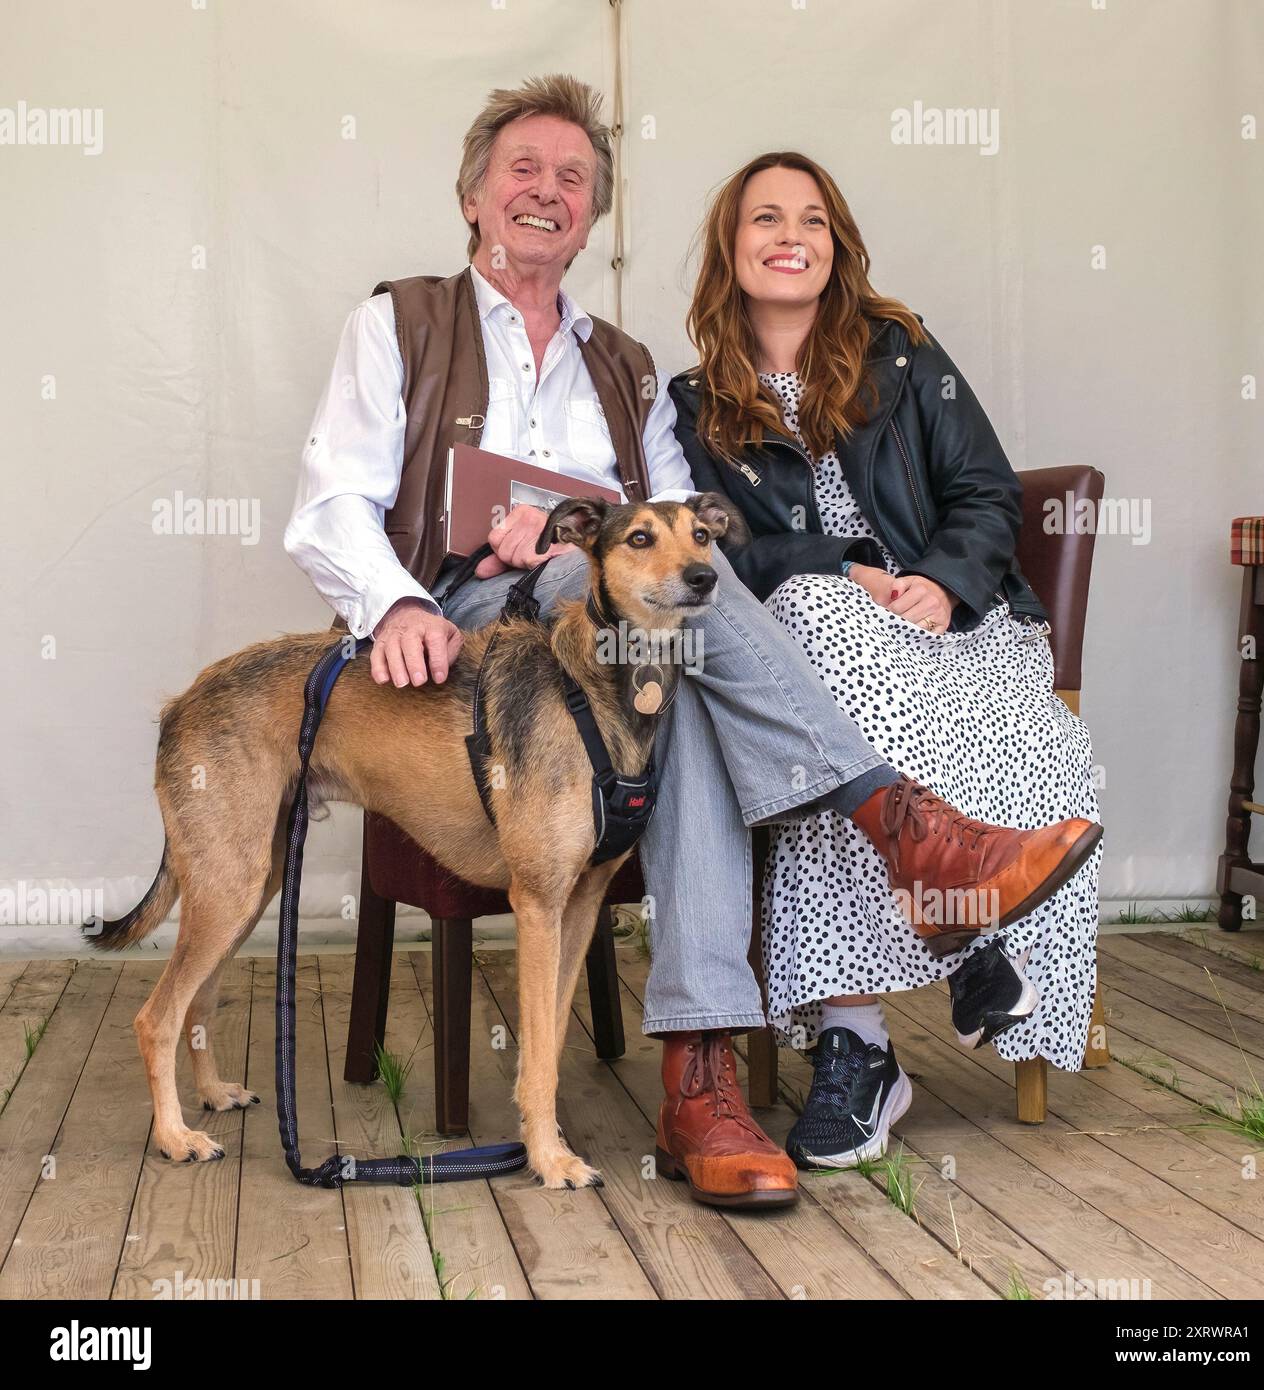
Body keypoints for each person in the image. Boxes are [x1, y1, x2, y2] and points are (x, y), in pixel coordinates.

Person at [285, 77, 1097, 1207]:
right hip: (466, 631)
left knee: (685, 663)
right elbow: (329, 509)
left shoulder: (627, 369)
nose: (547, 192)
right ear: (473, 195)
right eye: (523, 169)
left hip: (618, 652)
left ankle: (701, 1075)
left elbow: (686, 540)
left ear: (591, 216)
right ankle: (900, 840)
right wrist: (400, 604)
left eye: (573, 179)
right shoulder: (397, 322)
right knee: (652, 606)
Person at [669, 151, 1103, 1171]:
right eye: (765, 218)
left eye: (812, 220)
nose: (790, 235)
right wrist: (846, 568)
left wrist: (944, 581)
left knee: (843, 745)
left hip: (955, 632)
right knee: (815, 624)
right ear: (730, 251)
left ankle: (857, 1045)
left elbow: (988, 492)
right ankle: (956, 944)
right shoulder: (694, 405)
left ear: (837, 244)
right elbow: (719, 553)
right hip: (819, 647)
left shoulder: (902, 353)